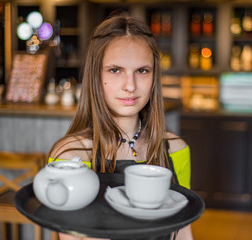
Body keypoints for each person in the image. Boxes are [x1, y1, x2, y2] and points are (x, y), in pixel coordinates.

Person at [47, 14, 193, 240]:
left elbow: (183, 231)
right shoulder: (69, 157)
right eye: (115, 70)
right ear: (96, 75)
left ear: (154, 76)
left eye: (142, 71)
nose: (130, 85)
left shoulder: (176, 149)